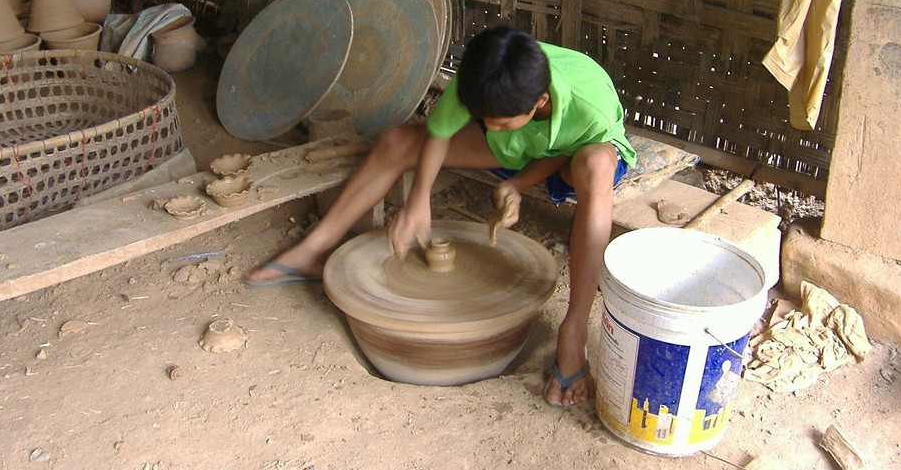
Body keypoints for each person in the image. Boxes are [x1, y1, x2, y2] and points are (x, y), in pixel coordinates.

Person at [246, 25, 637, 407]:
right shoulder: (481, 78)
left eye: (495, 120)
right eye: (481, 117)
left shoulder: (589, 107)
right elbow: (439, 133)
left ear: (538, 103)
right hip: (516, 146)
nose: (486, 125)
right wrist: (419, 199)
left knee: (593, 164)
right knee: (398, 141)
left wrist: (520, 183)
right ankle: (313, 250)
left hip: (578, 157)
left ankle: (573, 333)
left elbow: (561, 154)